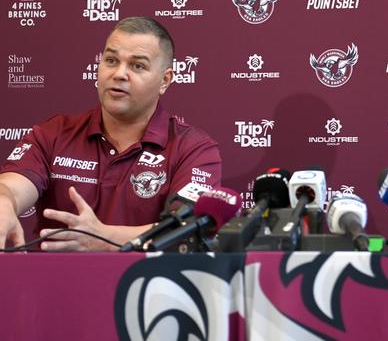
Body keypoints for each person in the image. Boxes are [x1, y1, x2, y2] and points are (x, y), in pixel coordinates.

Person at [0, 17, 222, 251]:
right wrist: (4, 202)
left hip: (145, 285)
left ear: (164, 81)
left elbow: (187, 228)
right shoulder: (53, 133)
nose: (119, 74)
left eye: (137, 66)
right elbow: (12, 186)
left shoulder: (195, 149)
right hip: (52, 285)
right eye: (111, 60)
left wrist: (102, 238)